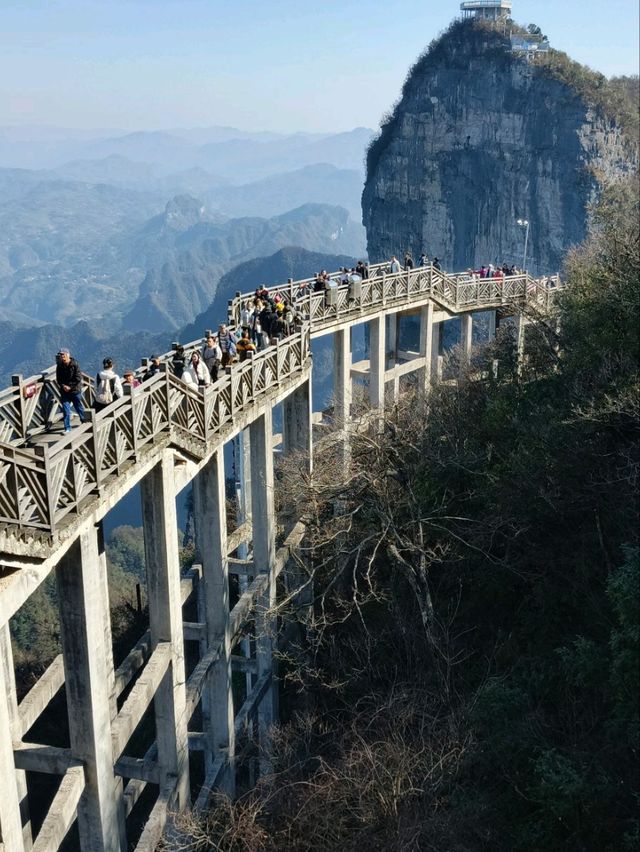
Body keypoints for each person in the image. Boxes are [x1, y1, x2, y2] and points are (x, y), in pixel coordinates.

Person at [56, 348, 86, 433]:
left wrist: (70, 387)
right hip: (64, 391)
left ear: (68, 355)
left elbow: (78, 378)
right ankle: (67, 428)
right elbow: (58, 379)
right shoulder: (59, 365)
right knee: (66, 409)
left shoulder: (75, 364)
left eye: (63, 354)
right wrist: (63, 386)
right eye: (60, 355)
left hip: (75, 390)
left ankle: (84, 421)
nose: (61, 356)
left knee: (78, 407)